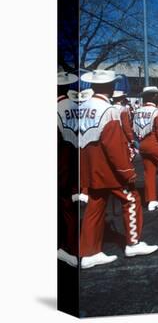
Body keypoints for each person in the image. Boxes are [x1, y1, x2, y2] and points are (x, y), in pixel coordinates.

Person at [78, 70, 158, 269]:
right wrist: (126, 171)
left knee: (95, 207)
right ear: (111, 87)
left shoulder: (82, 108)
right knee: (131, 199)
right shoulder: (109, 110)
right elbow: (113, 146)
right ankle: (133, 243)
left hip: (88, 164)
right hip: (107, 167)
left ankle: (88, 252)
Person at [57, 72, 80, 267]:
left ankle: (67, 247)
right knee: (68, 210)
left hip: (61, 164)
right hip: (72, 162)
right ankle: (70, 247)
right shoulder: (74, 107)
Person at [112, 90, 136, 159]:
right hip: (121, 135)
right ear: (121, 99)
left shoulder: (109, 108)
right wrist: (131, 139)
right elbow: (126, 126)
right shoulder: (123, 109)